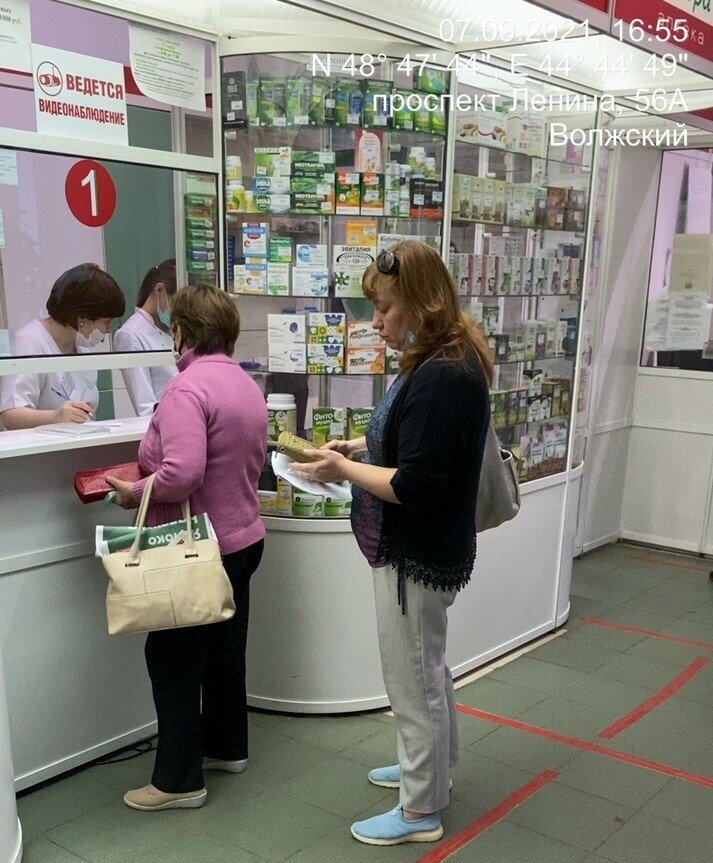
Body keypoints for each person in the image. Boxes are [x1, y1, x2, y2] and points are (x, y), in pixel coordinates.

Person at [292, 240, 492, 846]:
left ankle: (419, 810)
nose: (375, 322)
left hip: (415, 551)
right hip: (427, 549)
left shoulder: (441, 375)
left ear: (421, 302)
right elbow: (411, 447)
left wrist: (341, 471)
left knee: (411, 679)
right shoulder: (443, 359)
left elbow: (413, 484)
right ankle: (431, 771)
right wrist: (359, 450)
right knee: (427, 667)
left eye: (384, 309)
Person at [107, 282, 268, 812]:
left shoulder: (185, 389)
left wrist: (134, 491)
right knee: (225, 648)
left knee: (171, 657)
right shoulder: (243, 383)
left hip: (199, 546)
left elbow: (183, 471)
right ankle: (228, 748)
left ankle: (178, 781)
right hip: (244, 538)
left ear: (182, 332)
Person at [0, 263, 125, 430]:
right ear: (82, 318)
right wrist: (54, 417)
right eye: (106, 322)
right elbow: (11, 416)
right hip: (41, 452)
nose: (108, 330)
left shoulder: (82, 347)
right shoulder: (29, 343)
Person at [114, 259, 178, 416]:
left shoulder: (172, 330)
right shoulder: (130, 335)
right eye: (178, 303)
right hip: (163, 424)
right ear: (159, 290)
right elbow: (145, 408)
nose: (183, 311)